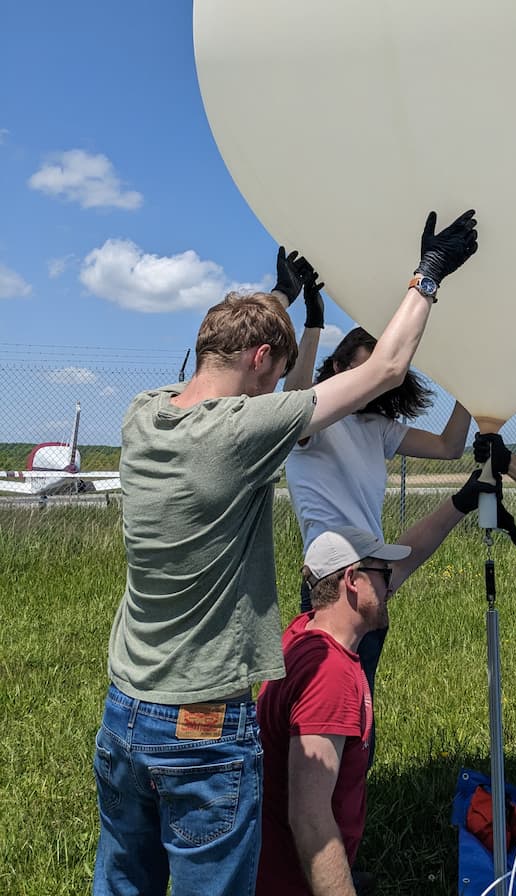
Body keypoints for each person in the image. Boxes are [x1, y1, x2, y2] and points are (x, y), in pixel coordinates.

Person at [91, 209, 478, 896]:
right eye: (274, 376)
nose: (277, 394)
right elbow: (388, 365)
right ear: (263, 360)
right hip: (200, 725)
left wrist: (281, 299)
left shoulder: (143, 414)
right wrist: (430, 273)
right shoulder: (240, 433)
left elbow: (228, 346)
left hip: (124, 710)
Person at [254, 475, 516, 896]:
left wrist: (460, 502)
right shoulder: (330, 676)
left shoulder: (304, 634)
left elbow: (407, 560)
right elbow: (309, 817)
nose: (392, 583)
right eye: (382, 572)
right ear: (352, 581)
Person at [281, 259, 471, 746]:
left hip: (375, 574)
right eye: (360, 366)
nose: (372, 377)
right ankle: (325, 801)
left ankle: (349, 798)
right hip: (332, 578)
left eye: (380, 367)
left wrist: (474, 388)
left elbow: (450, 447)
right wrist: (313, 325)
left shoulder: (377, 429)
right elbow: (295, 398)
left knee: (361, 699)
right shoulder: (316, 416)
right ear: (341, 368)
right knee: (333, 706)